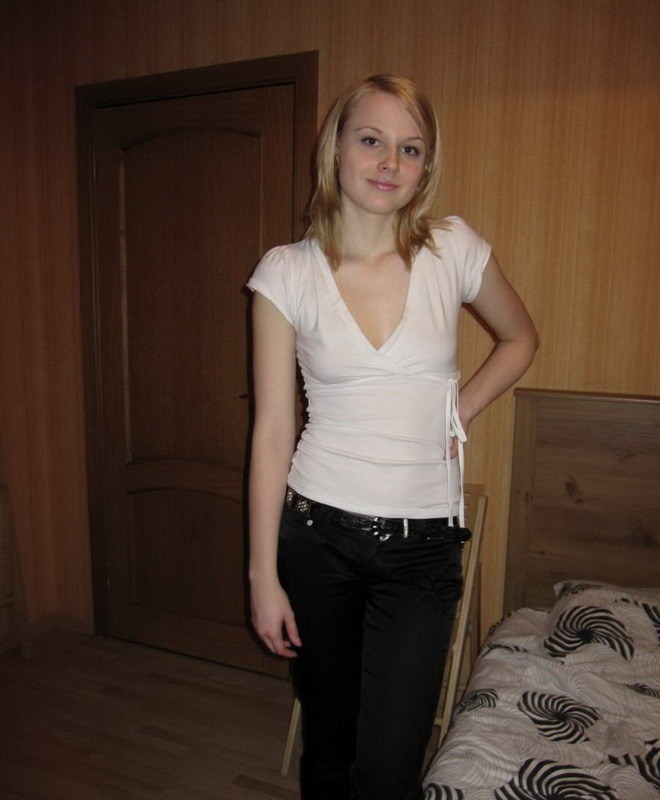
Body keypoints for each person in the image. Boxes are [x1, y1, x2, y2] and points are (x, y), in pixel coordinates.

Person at [246, 74, 538, 800]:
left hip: (422, 549)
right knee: (328, 751)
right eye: (371, 140)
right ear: (335, 149)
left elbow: (520, 338)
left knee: (387, 770)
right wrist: (262, 576)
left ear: (425, 165)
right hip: (316, 538)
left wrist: (460, 410)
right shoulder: (286, 272)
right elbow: (273, 431)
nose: (389, 162)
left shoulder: (452, 249)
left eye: (410, 148)